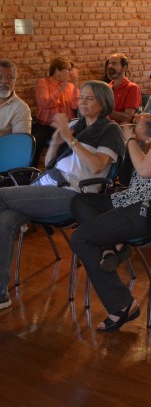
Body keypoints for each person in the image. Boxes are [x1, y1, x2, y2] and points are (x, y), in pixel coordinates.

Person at [70, 79, 151, 332]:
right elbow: (148, 165)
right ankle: (112, 247)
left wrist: (129, 139)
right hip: (135, 199)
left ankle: (121, 305)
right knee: (81, 200)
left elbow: (144, 169)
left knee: (81, 238)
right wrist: (141, 139)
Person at [0, 81, 124, 310]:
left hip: (74, 194)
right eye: (82, 97)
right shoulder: (77, 125)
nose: (83, 102)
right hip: (48, 184)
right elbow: (49, 164)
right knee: (4, 219)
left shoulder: (110, 130)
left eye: (89, 98)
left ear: (103, 102)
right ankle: (1, 294)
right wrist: (57, 142)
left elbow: (97, 165)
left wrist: (70, 139)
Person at [32, 56, 80, 166]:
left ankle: (62, 171)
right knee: (34, 143)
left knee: (74, 142)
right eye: (67, 69)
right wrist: (61, 89)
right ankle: (28, 174)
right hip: (46, 125)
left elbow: (75, 105)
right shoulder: (43, 83)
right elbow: (44, 103)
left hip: (65, 126)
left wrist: (76, 83)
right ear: (57, 70)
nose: (70, 72)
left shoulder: (71, 86)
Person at [105, 53, 142, 123]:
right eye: (109, 63)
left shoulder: (132, 88)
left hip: (120, 130)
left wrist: (105, 111)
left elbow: (128, 117)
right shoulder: (107, 87)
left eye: (114, 63)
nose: (109, 66)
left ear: (124, 68)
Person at [0, 59, 31, 137]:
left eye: (10, 77)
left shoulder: (21, 108)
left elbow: (20, 144)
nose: (5, 81)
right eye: (0, 77)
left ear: (15, 80)